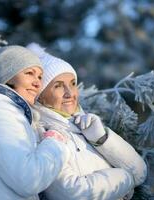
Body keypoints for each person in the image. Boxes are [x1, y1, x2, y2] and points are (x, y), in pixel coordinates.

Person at [27, 43, 147, 200]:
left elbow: (140, 172)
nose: (70, 93)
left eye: (72, 83)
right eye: (58, 86)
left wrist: (102, 139)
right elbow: (72, 195)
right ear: (40, 96)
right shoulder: (45, 136)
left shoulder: (87, 124)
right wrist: (126, 179)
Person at [0, 45, 70, 200]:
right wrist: (55, 142)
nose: (37, 83)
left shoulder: (6, 111)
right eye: (30, 73)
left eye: (40, 77)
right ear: (7, 76)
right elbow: (29, 179)